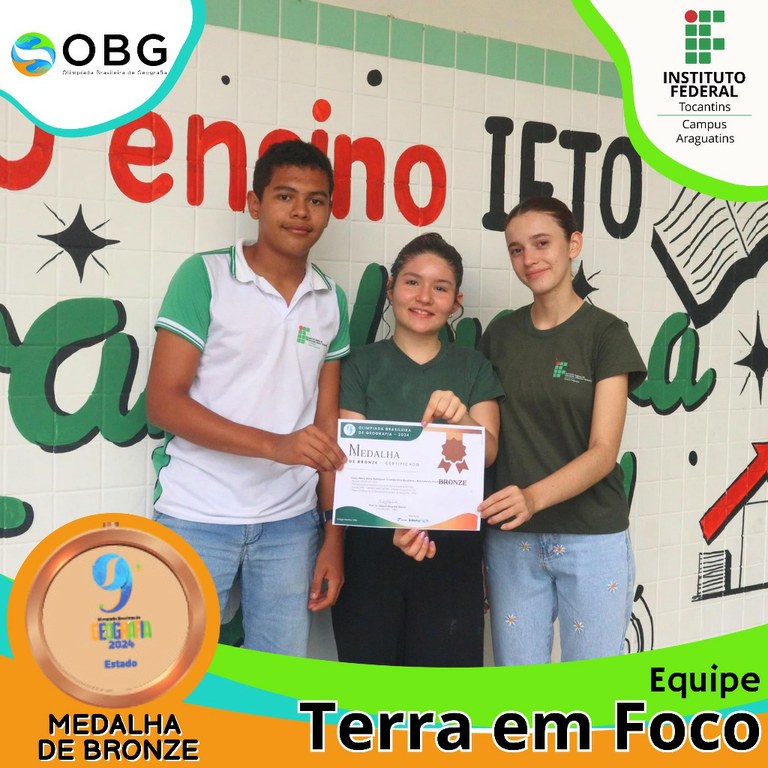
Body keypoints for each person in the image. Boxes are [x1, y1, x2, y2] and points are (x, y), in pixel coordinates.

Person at [145, 139, 349, 657]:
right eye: (285, 196)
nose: (301, 211)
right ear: (255, 204)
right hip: (196, 514)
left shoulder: (331, 299)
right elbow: (164, 403)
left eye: (316, 200)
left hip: (291, 524)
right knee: (175, 673)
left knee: (276, 685)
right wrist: (276, 445)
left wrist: (333, 538)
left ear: (329, 211)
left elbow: (327, 429)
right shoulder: (206, 276)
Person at [478, 197, 647, 665]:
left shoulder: (606, 334)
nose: (529, 259)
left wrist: (532, 498)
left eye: (541, 243)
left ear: (573, 244)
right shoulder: (500, 336)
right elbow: (482, 440)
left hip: (591, 538)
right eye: (516, 249)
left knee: (590, 694)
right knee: (520, 693)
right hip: (511, 539)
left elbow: (603, 452)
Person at [331, 232, 504, 666]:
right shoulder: (359, 365)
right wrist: (397, 524)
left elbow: (488, 453)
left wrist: (462, 421)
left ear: (456, 302)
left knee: (444, 695)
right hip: (371, 546)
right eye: (412, 282)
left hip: (452, 551)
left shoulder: (474, 367)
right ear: (391, 289)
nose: (424, 297)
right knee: (369, 691)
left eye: (440, 288)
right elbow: (352, 466)